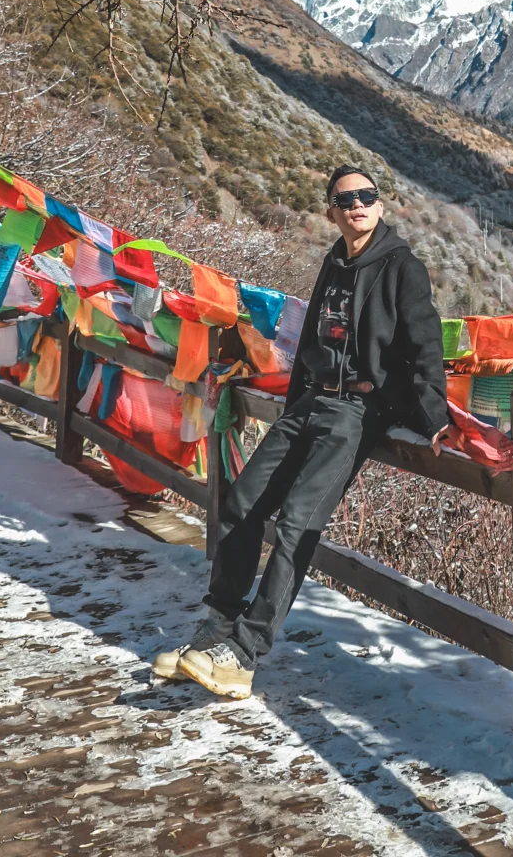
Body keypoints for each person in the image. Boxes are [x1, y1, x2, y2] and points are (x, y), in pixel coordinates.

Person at [153, 165, 451, 697]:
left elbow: (426, 345)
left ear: (380, 206)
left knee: (297, 522)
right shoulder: (333, 263)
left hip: (357, 413)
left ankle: (243, 653)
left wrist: (435, 421)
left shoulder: (403, 268)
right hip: (310, 401)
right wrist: (295, 403)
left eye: (367, 196)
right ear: (330, 212)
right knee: (242, 502)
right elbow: (314, 331)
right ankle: (216, 627)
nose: (358, 205)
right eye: (346, 199)